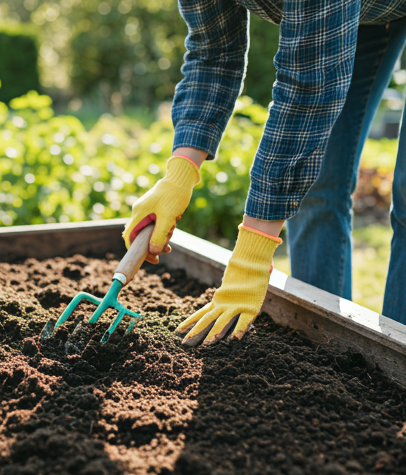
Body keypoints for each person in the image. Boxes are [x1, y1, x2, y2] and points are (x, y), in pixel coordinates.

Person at [123, 0, 406, 347]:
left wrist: (254, 250)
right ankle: (323, 348)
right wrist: (179, 174)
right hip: (351, 13)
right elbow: (214, 54)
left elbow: (308, 85)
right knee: (315, 188)